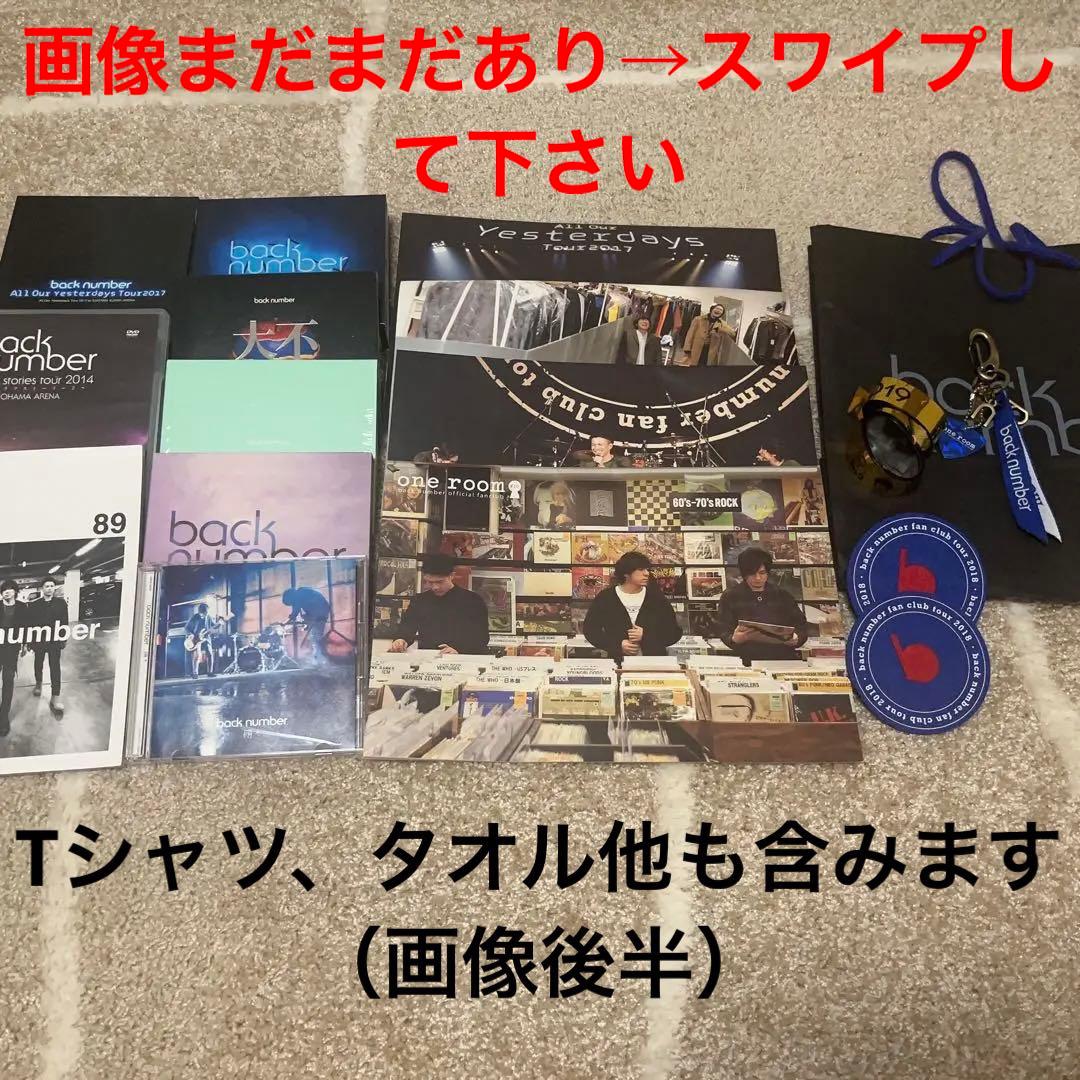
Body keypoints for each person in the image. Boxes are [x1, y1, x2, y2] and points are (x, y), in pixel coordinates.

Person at [583, 551, 682, 664]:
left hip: (654, 665)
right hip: (618, 665)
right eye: (640, 569)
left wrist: (646, 636)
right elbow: (591, 631)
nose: (646, 573)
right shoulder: (606, 598)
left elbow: (674, 633)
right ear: (626, 573)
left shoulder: (657, 598)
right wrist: (617, 645)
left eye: (647, 569)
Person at [715, 547, 808, 660]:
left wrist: (797, 638)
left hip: (782, 657)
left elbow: (801, 625)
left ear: (768, 572)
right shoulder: (731, 596)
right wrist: (733, 639)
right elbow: (723, 628)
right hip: (746, 658)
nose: (758, 578)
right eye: (752, 574)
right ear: (744, 573)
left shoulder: (782, 595)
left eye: (762, 573)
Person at [388, 553, 490, 656]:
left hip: (463, 659)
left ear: (452, 576)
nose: (435, 587)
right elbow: (407, 626)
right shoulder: (420, 601)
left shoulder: (473, 601)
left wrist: (459, 649)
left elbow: (481, 637)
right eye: (429, 582)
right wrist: (401, 640)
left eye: (440, 582)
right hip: (428, 659)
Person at [30, 577, 67, 715]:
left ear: (54, 588)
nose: (49, 588)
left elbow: (64, 621)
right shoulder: (35, 604)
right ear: (42, 588)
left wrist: (63, 638)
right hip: (39, 640)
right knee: (38, 662)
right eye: (47, 586)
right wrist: (31, 641)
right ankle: (38, 683)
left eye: (52, 586)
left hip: (54, 640)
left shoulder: (61, 603)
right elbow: (31, 624)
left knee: (55, 667)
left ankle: (55, 696)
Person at [0, 579, 26, 737]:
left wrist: (25, 645)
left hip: (12, 649)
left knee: (8, 681)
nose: (6, 592)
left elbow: (26, 627)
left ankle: (3, 718)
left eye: (9, 589)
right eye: (4, 590)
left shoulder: (22, 607)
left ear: (15, 591)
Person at [678, 303, 742, 366]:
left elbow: (733, 333)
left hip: (710, 351)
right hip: (696, 349)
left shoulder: (722, 323)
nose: (718, 310)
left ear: (722, 313)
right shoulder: (698, 319)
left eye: (721, 310)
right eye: (717, 308)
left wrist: (719, 329)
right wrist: (687, 348)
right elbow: (690, 334)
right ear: (712, 309)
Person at [282, 585, 332, 664]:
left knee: (316, 637)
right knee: (316, 635)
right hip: (323, 611)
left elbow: (295, 612)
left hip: (319, 613)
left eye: (291, 603)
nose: (292, 604)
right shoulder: (303, 591)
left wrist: (285, 623)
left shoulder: (298, 596)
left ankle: (320, 658)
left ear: (290, 597)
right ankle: (319, 657)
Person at [184, 602, 216, 677]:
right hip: (196, 638)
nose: (205, 614)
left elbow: (214, 626)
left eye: (206, 612)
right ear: (200, 611)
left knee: (210, 654)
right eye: (204, 612)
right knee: (196, 655)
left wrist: (218, 624)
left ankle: (210, 672)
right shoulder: (195, 617)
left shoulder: (209, 617)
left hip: (206, 638)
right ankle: (195, 673)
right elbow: (186, 628)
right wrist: (191, 634)